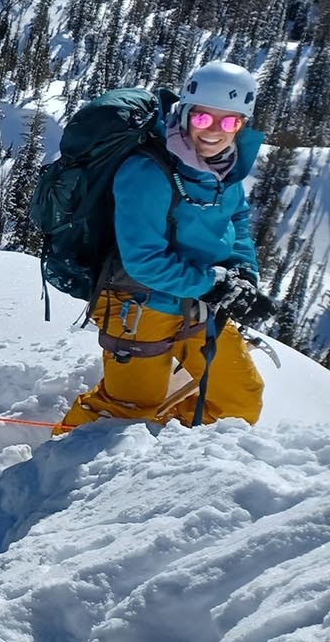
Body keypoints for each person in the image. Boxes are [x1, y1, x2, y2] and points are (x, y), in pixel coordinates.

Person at [59, 61, 275, 430]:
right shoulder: (147, 172)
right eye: (204, 118)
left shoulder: (227, 168)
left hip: (200, 298)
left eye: (229, 122)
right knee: (127, 410)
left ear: (241, 124)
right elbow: (144, 261)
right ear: (186, 111)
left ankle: (169, 462)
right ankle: (57, 467)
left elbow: (236, 219)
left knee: (238, 399)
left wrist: (242, 271)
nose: (214, 132)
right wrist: (216, 284)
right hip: (138, 301)